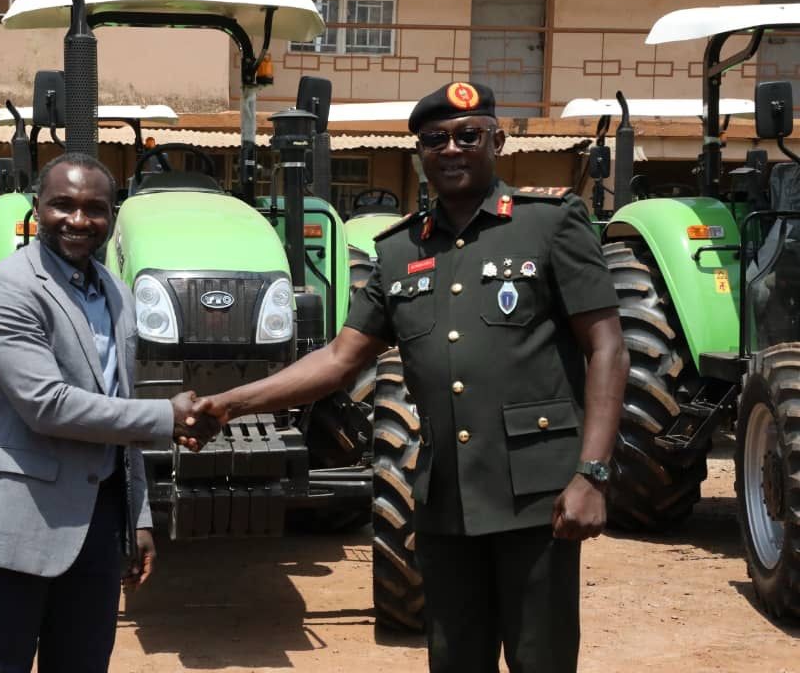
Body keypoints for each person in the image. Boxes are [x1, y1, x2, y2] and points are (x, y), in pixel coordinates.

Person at [193, 82, 629, 673]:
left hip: (538, 498)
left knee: (540, 661)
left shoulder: (549, 225)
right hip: (446, 500)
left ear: (497, 141)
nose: (451, 149)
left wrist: (592, 474)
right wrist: (232, 404)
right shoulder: (399, 250)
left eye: (468, 136)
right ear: (419, 152)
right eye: (434, 140)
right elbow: (339, 359)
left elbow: (607, 348)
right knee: (454, 661)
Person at [0, 151, 218, 673]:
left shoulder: (116, 292)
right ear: (37, 208)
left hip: (98, 521)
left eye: (94, 208)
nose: (78, 220)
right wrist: (167, 417)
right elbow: (45, 405)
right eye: (63, 205)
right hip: (17, 521)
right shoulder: (5, 289)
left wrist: (137, 518)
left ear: (111, 215)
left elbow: (118, 400)